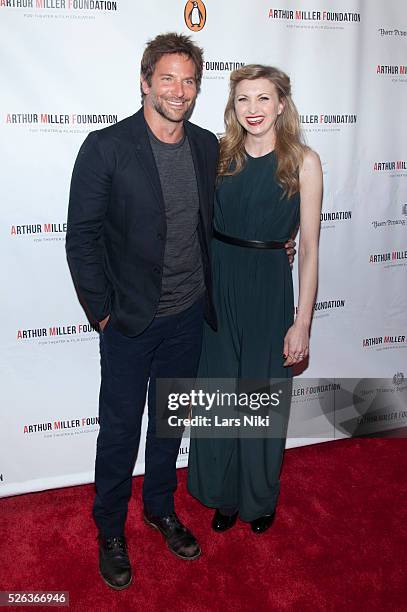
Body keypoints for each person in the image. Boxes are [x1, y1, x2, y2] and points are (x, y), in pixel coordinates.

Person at [66, 34, 296, 590]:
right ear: (145, 82)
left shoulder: (204, 145)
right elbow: (82, 237)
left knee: (169, 424)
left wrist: (277, 245)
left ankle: (160, 507)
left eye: (189, 80)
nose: (179, 89)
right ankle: (110, 529)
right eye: (167, 78)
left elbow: (226, 216)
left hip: (190, 315)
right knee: (120, 429)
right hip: (128, 321)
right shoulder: (106, 146)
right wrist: (102, 313)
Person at [187, 65, 322, 534]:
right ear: (233, 106)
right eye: (243, 99)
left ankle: (258, 498)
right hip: (220, 285)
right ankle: (224, 494)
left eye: (264, 99)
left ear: (281, 104)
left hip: (268, 288)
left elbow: (308, 250)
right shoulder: (218, 154)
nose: (254, 109)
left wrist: (301, 322)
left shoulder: (303, 161)